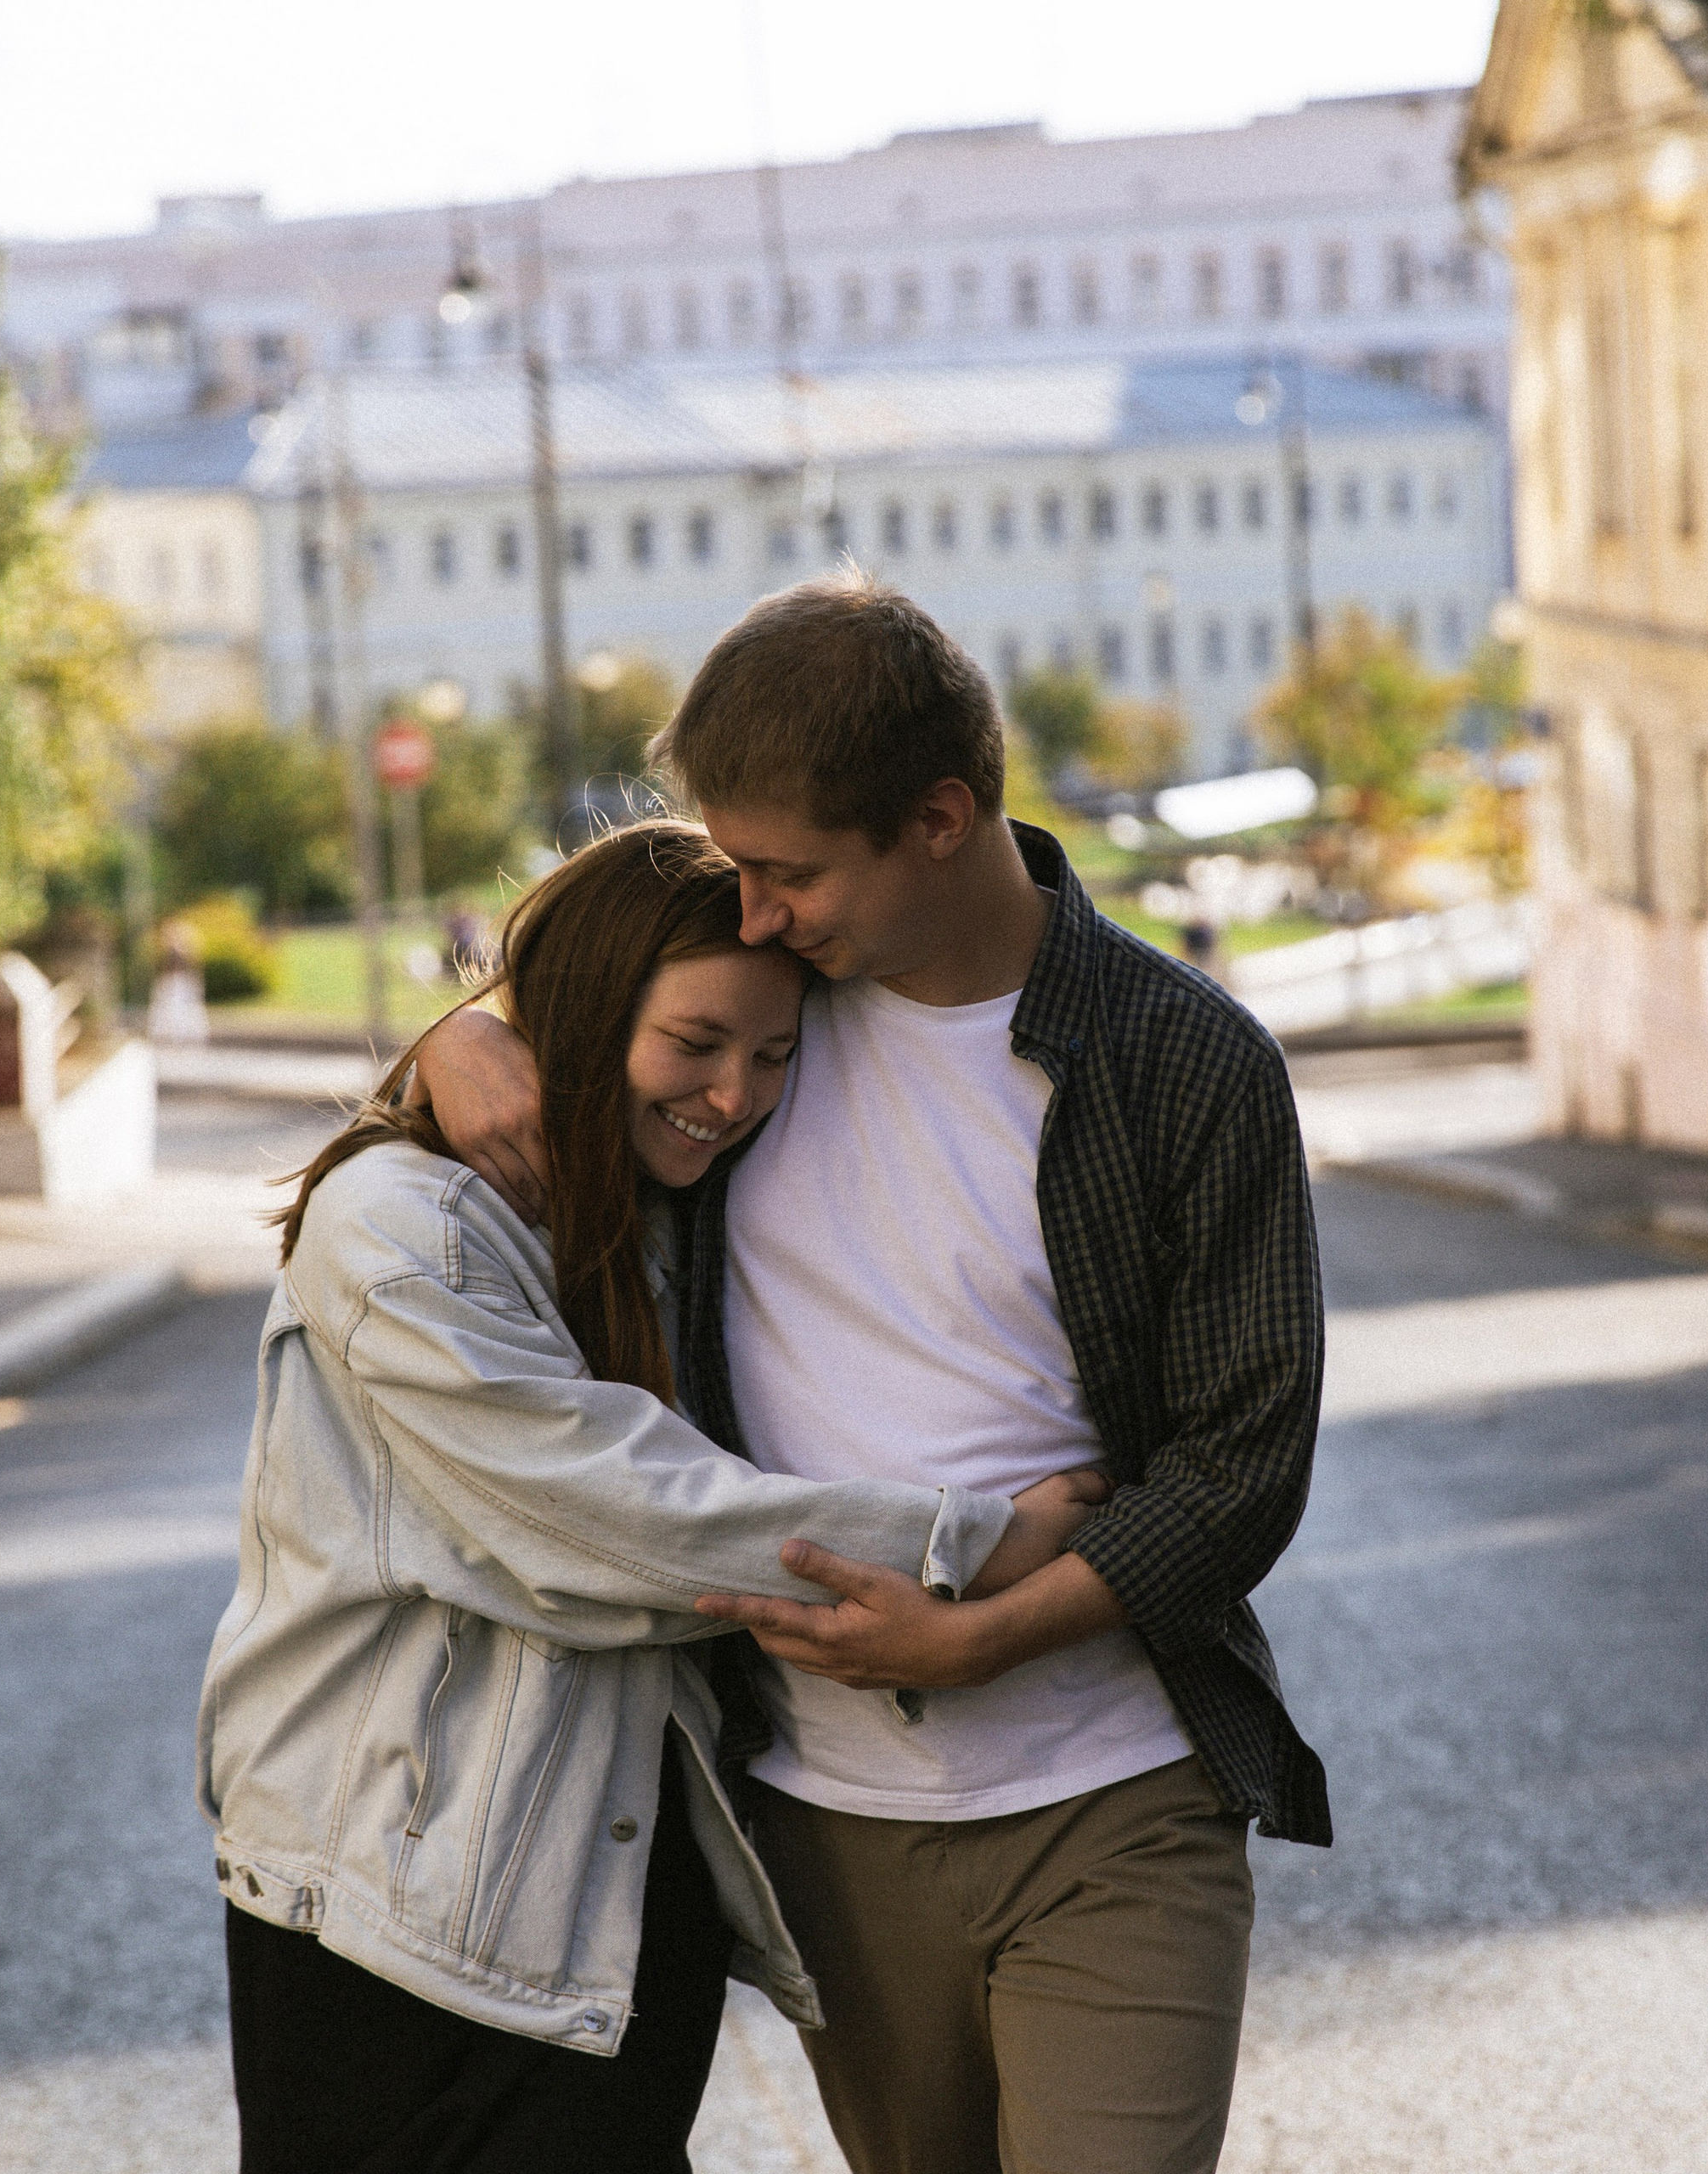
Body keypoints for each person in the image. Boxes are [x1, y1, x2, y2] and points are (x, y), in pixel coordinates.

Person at [413, 574, 1331, 2174]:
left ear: (938, 820)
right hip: (825, 1823)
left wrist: (979, 1639)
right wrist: (458, 1040)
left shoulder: (1184, 1060)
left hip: (1117, 1798)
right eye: (740, 873)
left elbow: (1241, 1466)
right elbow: (594, 1007)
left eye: (790, 874)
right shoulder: (754, 1034)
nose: (758, 914)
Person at [197, 819, 1104, 2174]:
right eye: (695, 1043)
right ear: (587, 1012)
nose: (734, 1095)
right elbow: (608, 1515)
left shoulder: (667, 1201)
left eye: (774, 1055)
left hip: (609, 1904)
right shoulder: (402, 1226)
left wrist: (472, 1030)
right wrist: (976, 1544)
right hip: (390, 1916)